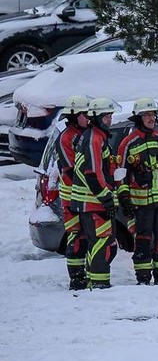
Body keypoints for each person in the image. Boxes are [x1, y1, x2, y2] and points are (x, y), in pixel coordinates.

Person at [115, 98, 158, 287]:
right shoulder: (128, 143)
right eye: (147, 115)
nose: (151, 118)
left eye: (153, 114)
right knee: (143, 240)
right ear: (138, 118)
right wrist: (125, 199)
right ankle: (143, 278)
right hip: (141, 204)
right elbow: (120, 174)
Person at [74, 97, 120, 289]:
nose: (109, 120)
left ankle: (94, 281)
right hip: (93, 202)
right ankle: (100, 284)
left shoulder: (95, 136)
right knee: (101, 243)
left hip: (92, 201)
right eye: (106, 116)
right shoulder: (94, 138)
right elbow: (93, 173)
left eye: (110, 116)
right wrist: (106, 199)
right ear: (95, 117)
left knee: (102, 243)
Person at [53, 94, 92, 290]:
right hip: (71, 198)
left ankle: (86, 274)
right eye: (85, 114)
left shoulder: (87, 134)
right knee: (76, 236)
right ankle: (76, 278)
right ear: (75, 115)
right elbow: (71, 170)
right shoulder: (66, 138)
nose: (89, 118)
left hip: (86, 196)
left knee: (88, 236)